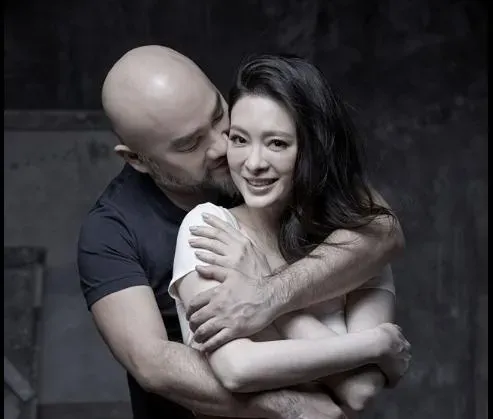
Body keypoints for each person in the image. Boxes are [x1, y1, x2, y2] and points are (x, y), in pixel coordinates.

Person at [77, 45, 406, 419]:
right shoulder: (111, 231)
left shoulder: (263, 149)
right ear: (137, 159)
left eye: (219, 115)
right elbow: (154, 363)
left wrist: (268, 295)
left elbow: (382, 229)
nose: (223, 146)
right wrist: (295, 407)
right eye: (191, 143)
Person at [168, 54, 410, 418]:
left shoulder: (356, 246)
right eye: (240, 139)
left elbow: (359, 390)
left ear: (313, 150)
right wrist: (377, 343)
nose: (253, 163)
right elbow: (238, 369)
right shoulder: (210, 228)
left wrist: (266, 291)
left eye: (277, 144)